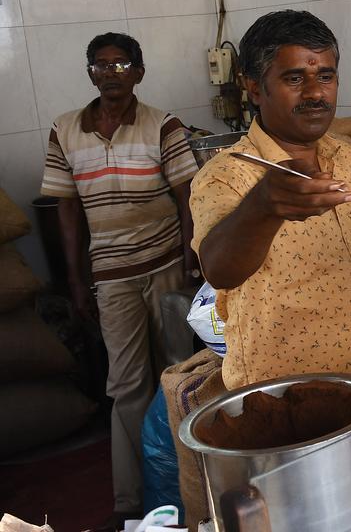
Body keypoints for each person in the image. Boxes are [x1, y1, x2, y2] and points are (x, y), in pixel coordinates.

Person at [189, 10, 351, 390]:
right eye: (294, 79)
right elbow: (219, 271)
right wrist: (262, 207)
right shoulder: (227, 175)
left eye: (326, 76)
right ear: (254, 88)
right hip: (295, 397)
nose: (315, 93)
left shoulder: (347, 158)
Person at [40, 32, 200, 526]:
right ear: (89, 72)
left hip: (166, 267)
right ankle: (136, 503)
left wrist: (192, 264)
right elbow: (66, 207)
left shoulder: (162, 125)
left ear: (139, 71)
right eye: (100, 65)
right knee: (126, 384)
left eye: (120, 64)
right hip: (111, 276)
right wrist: (74, 278)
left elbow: (187, 197)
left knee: (179, 374)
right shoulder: (65, 130)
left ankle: (189, 489)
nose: (111, 73)